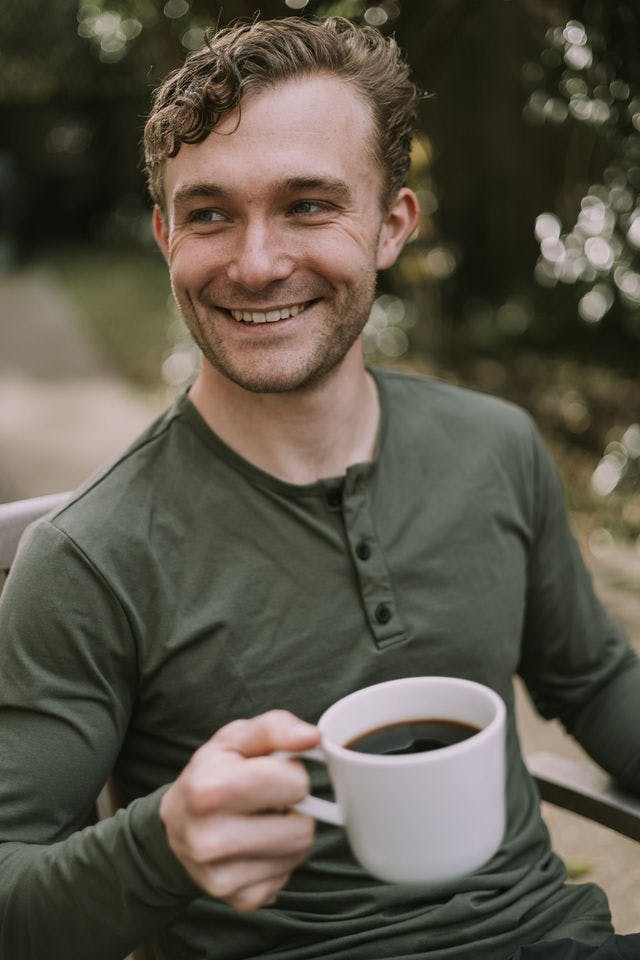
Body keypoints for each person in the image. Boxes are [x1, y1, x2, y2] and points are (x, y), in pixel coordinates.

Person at [0, 15, 639, 960]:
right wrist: (161, 843)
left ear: (391, 226)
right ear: (165, 234)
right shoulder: (89, 559)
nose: (257, 263)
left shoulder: (496, 449)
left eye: (308, 205)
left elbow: (592, 680)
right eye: (210, 212)